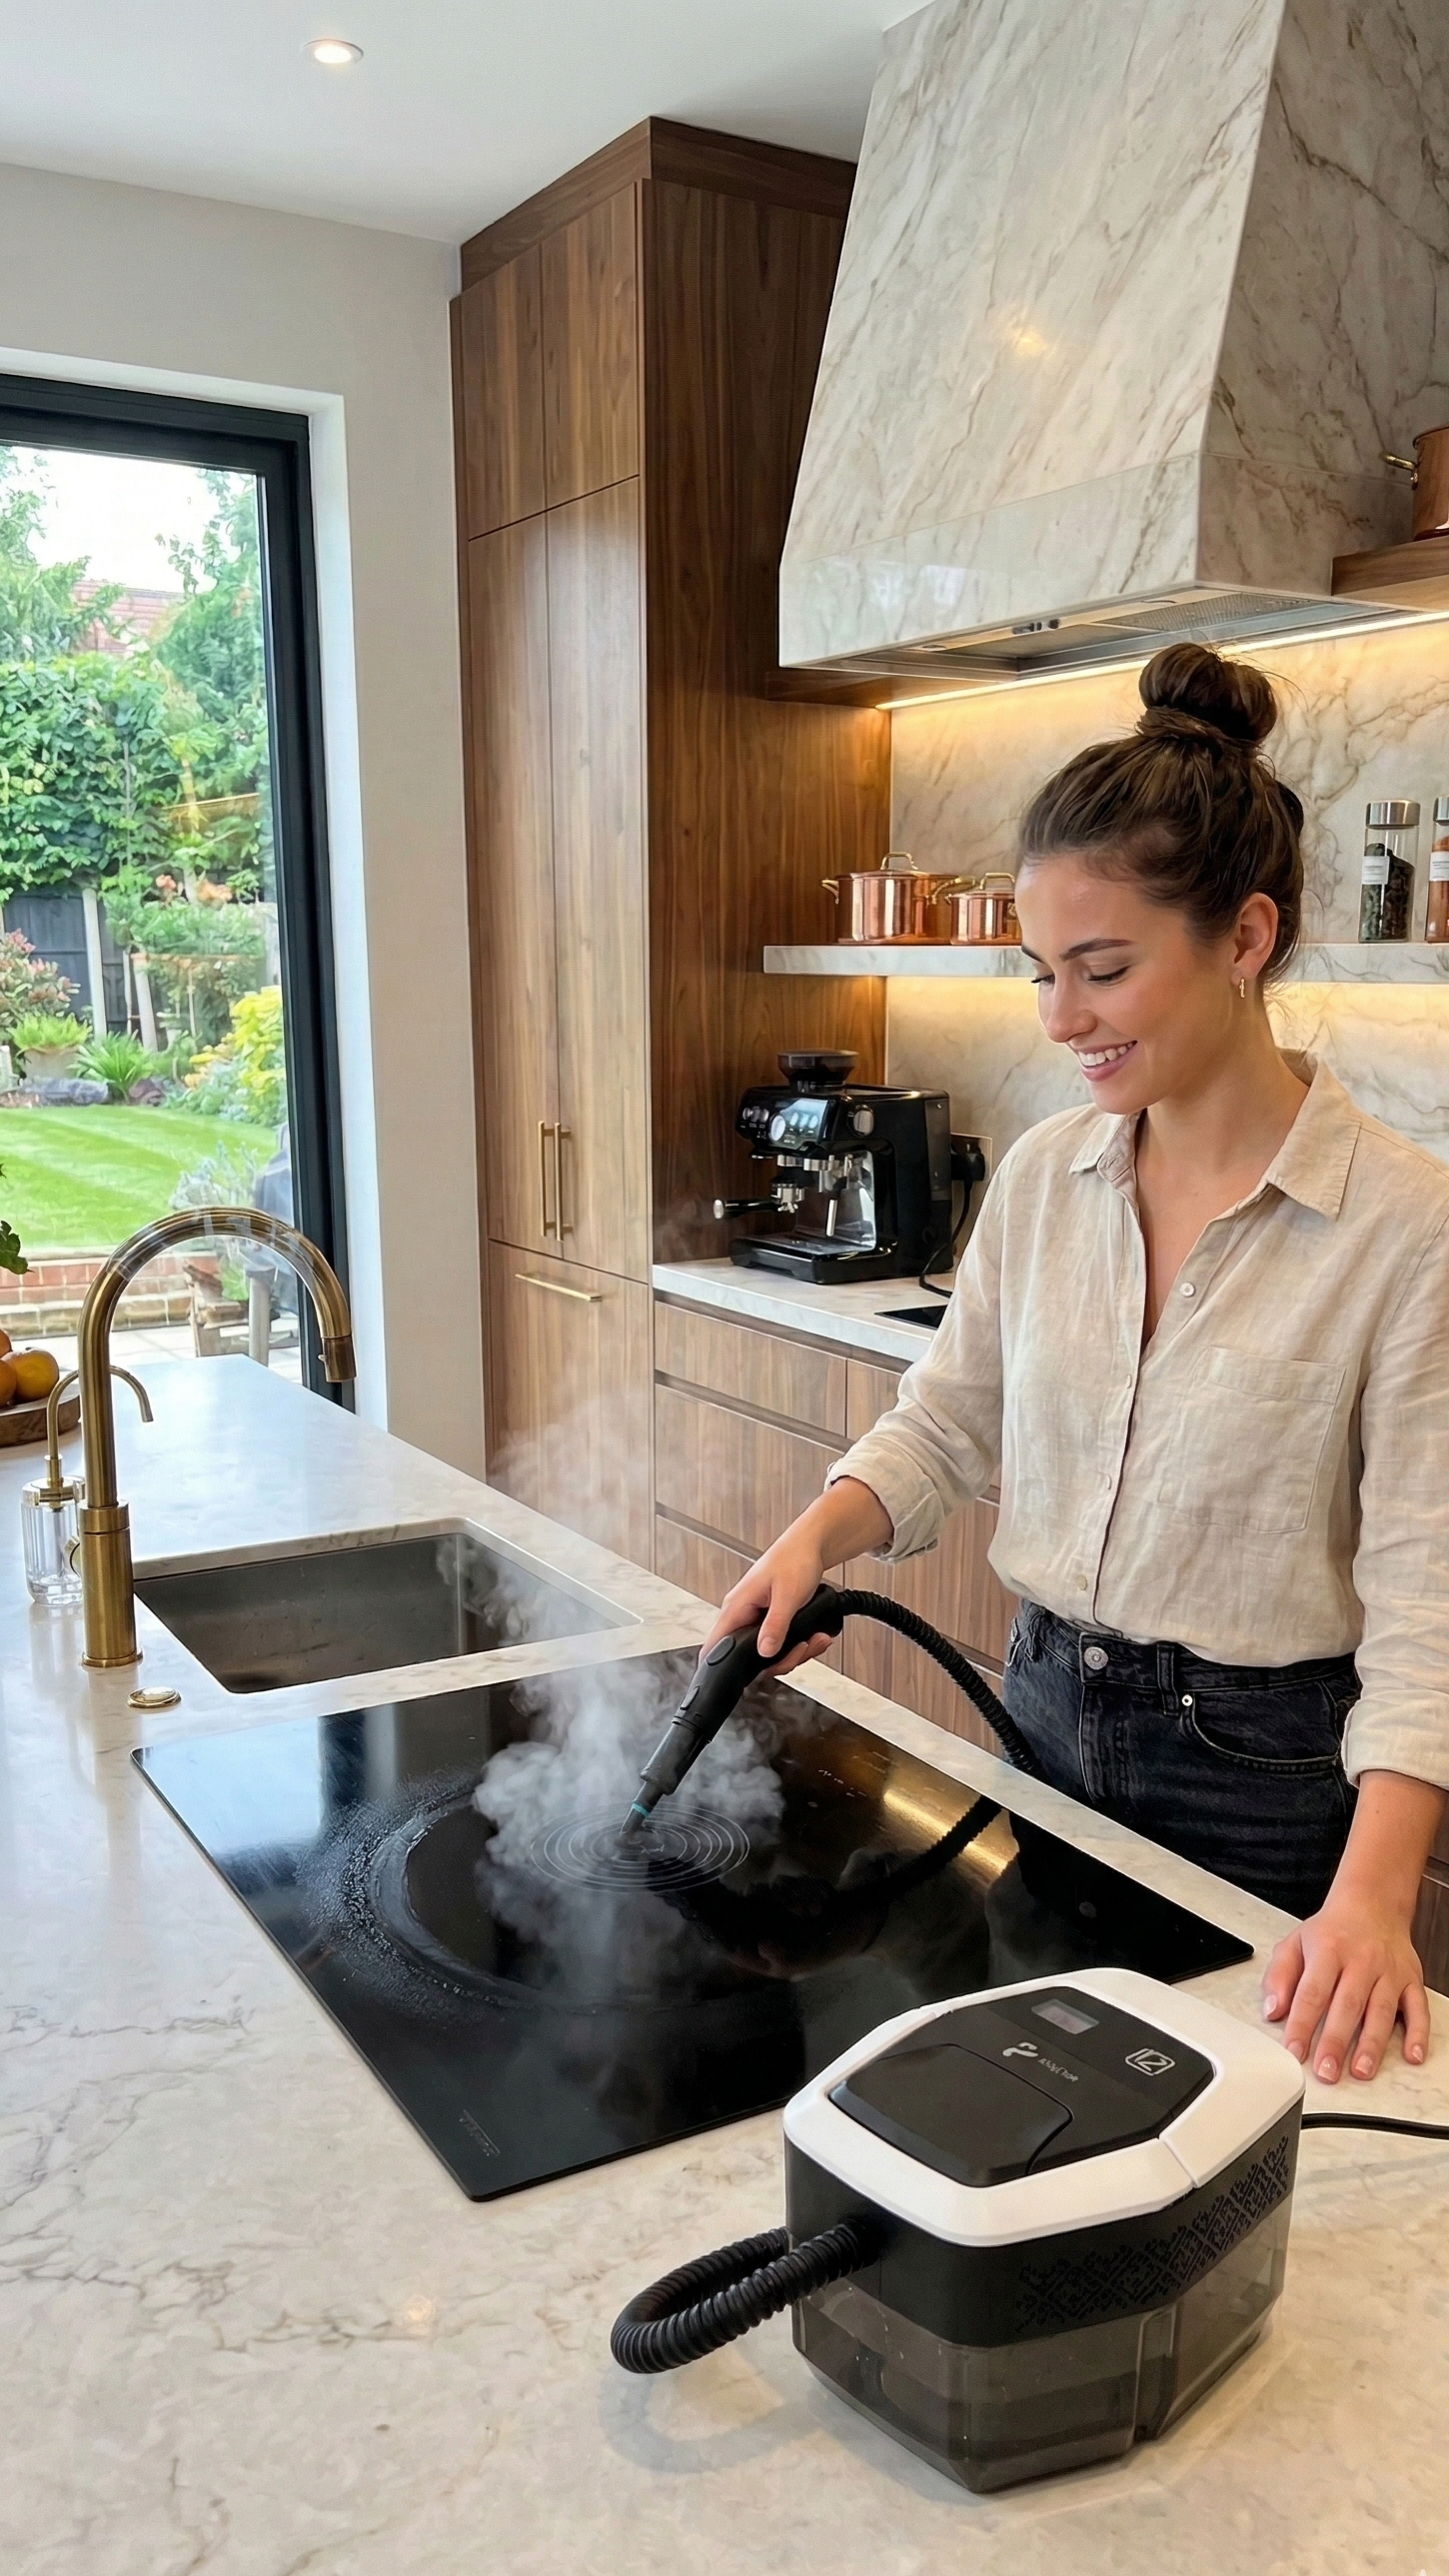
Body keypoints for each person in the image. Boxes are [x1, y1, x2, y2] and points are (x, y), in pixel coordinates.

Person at [705, 642, 1449, 2089]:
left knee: (1220, 2151)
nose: (1059, 1020)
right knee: (1036, 2107)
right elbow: (949, 1417)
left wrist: (1368, 1898)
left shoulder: (1407, 1232)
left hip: (1267, 1779)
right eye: (1043, 973)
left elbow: (1427, 1593)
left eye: (1102, 970)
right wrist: (817, 1531)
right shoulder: (1049, 1176)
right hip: (1036, 1708)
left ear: (1244, 937)